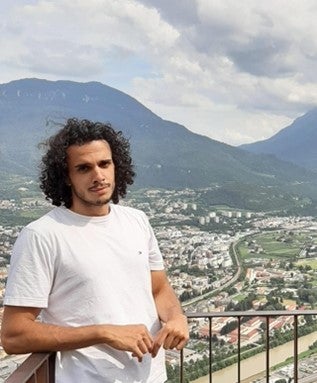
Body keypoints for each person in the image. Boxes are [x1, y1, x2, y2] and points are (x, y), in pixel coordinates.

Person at [1, 118, 189, 383]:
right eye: (83, 168)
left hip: (152, 377)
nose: (98, 175)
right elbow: (14, 335)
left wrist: (177, 317)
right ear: (66, 177)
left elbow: (158, 289)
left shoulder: (137, 220)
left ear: (116, 165)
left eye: (104, 164)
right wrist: (103, 332)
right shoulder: (42, 235)